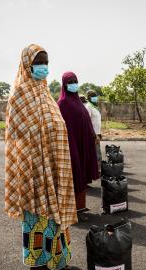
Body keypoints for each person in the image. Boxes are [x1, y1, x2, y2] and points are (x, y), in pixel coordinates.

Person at [5, 44, 77, 270]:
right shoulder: (20, 93)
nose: (43, 67)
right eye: (39, 62)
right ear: (27, 64)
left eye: (46, 62)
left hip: (54, 166)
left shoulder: (45, 92)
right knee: (38, 219)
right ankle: (38, 267)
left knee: (56, 217)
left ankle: (57, 260)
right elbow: (17, 134)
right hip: (33, 168)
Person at [57, 72, 99, 216]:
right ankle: (72, 210)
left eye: (75, 81)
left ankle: (81, 206)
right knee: (75, 175)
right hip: (71, 146)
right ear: (64, 84)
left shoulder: (78, 102)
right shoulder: (62, 103)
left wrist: (93, 135)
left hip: (83, 144)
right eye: (70, 81)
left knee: (83, 174)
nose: (74, 84)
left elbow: (85, 120)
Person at [86, 90, 102, 171]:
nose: (95, 97)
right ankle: (97, 170)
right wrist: (94, 134)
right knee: (97, 153)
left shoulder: (95, 106)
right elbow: (88, 121)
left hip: (98, 133)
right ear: (89, 98)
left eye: (95, 95)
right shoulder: (89, 106)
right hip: (93, 134)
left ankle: (97, 169)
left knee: (97, 151)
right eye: (93, 96)